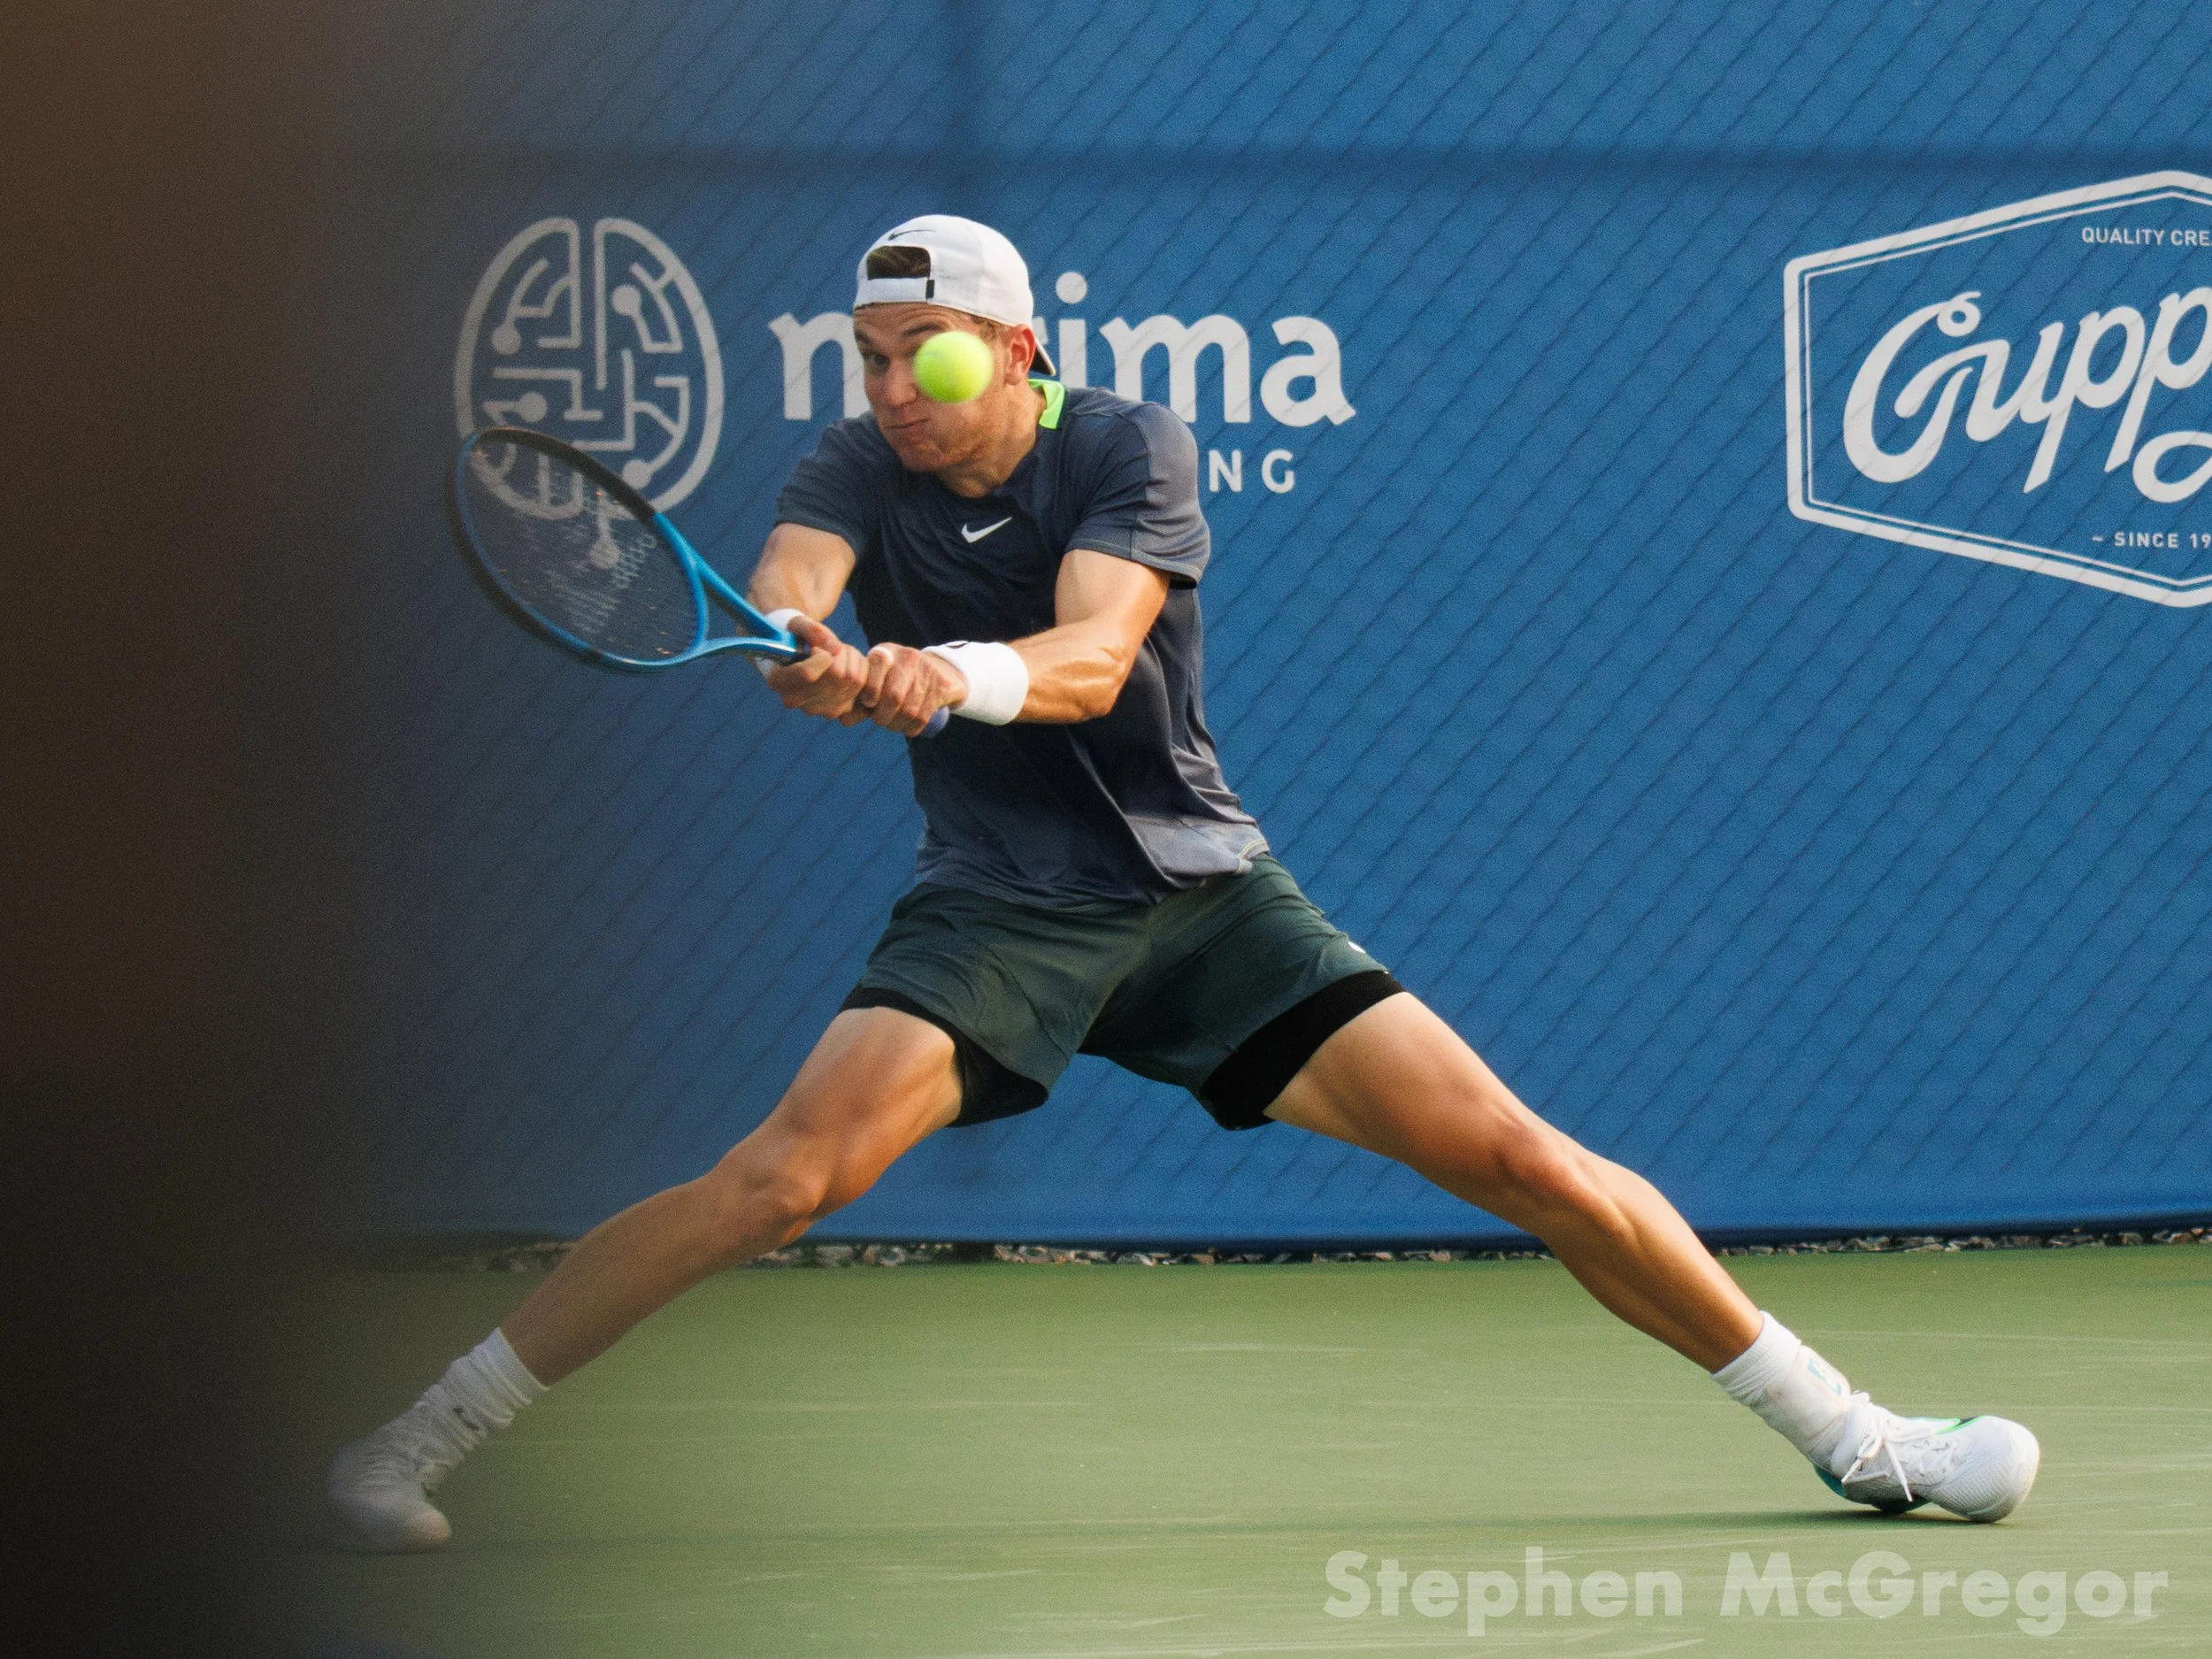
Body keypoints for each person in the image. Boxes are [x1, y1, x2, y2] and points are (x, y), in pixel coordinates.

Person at [328, 215, 2039, 1551]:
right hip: (1000, 903)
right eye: (862, 353)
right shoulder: (857, 462)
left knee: (1523, 1156)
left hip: (1206, 896)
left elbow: (1088, 658)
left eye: (916, 353)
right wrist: (812, 650)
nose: (882, 385)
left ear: (1009, 348)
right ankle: (406, 1444)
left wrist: (950, 667)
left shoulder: (1128, 444)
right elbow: (789, 588)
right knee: (782, 1179)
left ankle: (1861, 1439)